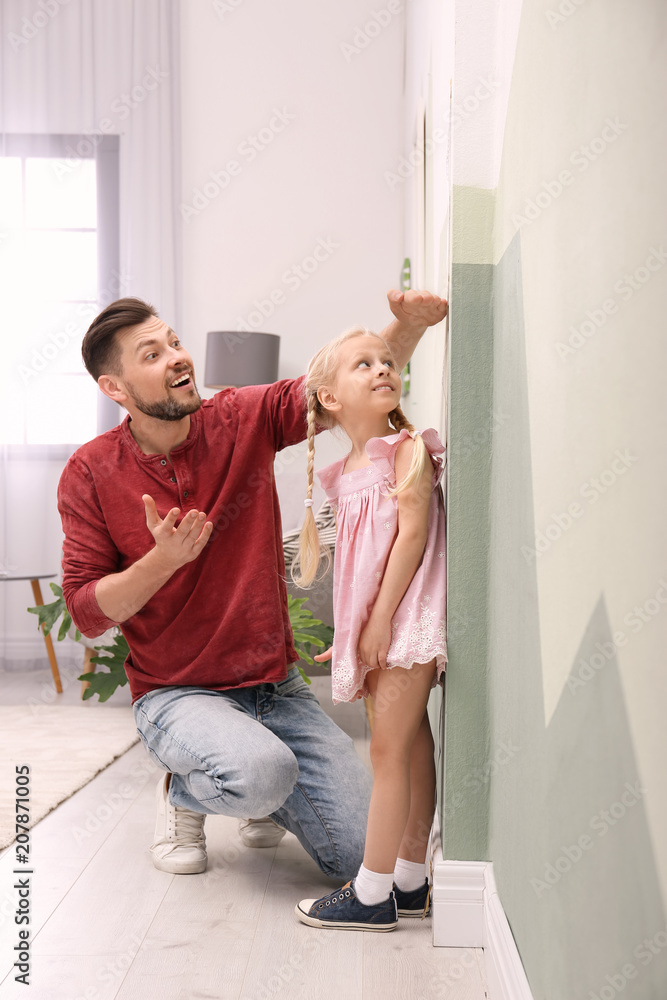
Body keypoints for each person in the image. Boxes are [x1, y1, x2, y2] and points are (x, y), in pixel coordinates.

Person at [58, 291, 447, 883]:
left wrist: (409, 325)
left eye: (174, 342)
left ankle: (262, 786)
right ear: (116, 388)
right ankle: (188, 793)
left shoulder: (242, 417)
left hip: (274, 687)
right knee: (261, 772)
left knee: (368, 859)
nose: (176, 358)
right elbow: (87, 612)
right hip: (178, 695)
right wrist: (161, 563)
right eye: (152, 354)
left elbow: (334, 388)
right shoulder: (89, 472)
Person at [292, 326, 447, 931]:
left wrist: (379, 621)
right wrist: (354, 627)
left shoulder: (405, 450)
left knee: (386, 750)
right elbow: (360, 566)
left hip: (408, 617)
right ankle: (409, 883)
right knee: (408, 746)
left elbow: (412, 538)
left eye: (387, 361)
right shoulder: (349, 469)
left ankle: (373, 892)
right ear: (330, 397)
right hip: (384, 621)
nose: (383, 368)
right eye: (364, 364)